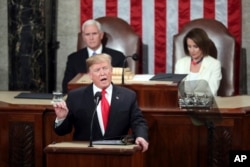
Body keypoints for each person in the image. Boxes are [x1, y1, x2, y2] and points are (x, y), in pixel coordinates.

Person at [53, 53, 149, 152]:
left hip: (117, 154)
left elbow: (138, 121)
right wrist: (61, 118)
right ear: (90, 75)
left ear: (111, 70)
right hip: (86, 154)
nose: (102, 73)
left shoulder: (128, 96)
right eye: (97, 70)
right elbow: (62, 131)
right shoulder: (76, 96)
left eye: (105, 68)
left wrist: (141, 136)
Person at [62, 19, 126, 94]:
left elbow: (121, 87)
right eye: (87, 34)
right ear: (83, 37)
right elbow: (66, 86)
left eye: (94, 34)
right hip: (81, 99)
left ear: (101, 35)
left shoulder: (117, 57)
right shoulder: (73, 59)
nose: (91, 38)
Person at [174, 28, 222, 96]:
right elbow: (177, 89)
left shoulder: (215, 64)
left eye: (195, 47)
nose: (192, 50)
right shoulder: (180, 63)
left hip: (205, 104)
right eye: (189, 46)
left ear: (203, 46)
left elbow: (211, 91)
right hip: (183, 104)